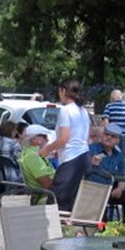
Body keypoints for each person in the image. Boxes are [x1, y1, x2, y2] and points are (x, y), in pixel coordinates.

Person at [40, 78, 91, 211]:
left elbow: (64, 138)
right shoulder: (83, 111)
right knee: (73, 200)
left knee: (56, 200)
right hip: (84, 157)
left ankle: (56, 230)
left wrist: (47, 149)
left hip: (71, 159)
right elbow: (86, 137)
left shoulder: (65, 110)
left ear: (63, 90)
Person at [87, 123, 125, 218]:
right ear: (103, 135)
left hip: (110, 189)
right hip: (94, 189)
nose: (109, 138)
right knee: (100, 196)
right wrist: (93, 165)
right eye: (107, 134)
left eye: (113, 136)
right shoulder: (92, 149)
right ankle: (102, 228)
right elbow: (85, 171)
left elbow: (124, 174)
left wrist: (120, 188)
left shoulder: (118, 155)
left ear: (118, 140)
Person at [19, 124, 56, 190]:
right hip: (48, 196)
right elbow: (47, 184)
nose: (47, 139)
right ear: (34, 139)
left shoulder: (31, 152)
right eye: (45, 136)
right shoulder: (32, 156)